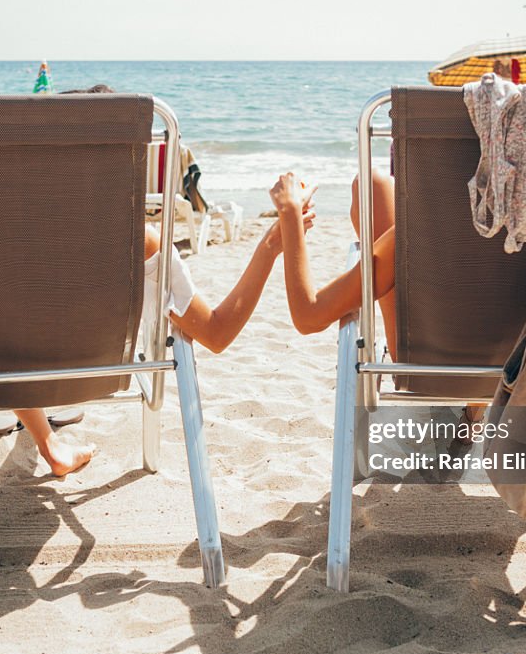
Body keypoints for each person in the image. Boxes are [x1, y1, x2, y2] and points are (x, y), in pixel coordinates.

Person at [18, 203, 315, 476]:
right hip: (94, 373)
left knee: (8, 334)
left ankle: (46, 440)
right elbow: (217, 333)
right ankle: (49, 444)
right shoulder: (138, 242)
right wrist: (271, 245)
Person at [269, 171, 488, 426]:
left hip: (426, 361)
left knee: (370, 184)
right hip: (522, 358)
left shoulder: (420, 230)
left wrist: (290, 211)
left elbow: (308, 316)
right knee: (373, 184)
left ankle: (406, 352)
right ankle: (475, 409)